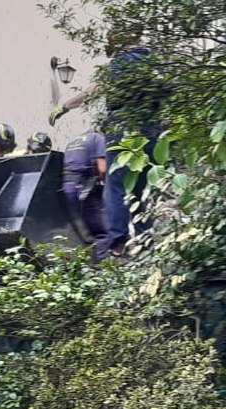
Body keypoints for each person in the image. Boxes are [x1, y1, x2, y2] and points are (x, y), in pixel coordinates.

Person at [47, 28, 165, 254]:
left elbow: (94, 90)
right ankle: (146, 242)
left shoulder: (119, 64)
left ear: (118, 42)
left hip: (122, 128)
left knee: (116, 186)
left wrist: (64, 106)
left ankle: (118, 242)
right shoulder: (155, 65)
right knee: (143, 186)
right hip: (151, 130)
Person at [62, 129, 111, 261]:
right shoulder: (98, 138)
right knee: (101, 232)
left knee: (82, 232)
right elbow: (102, 169)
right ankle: (103, 266)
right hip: (82, 188)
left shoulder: (73, 141)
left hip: (66, 188)